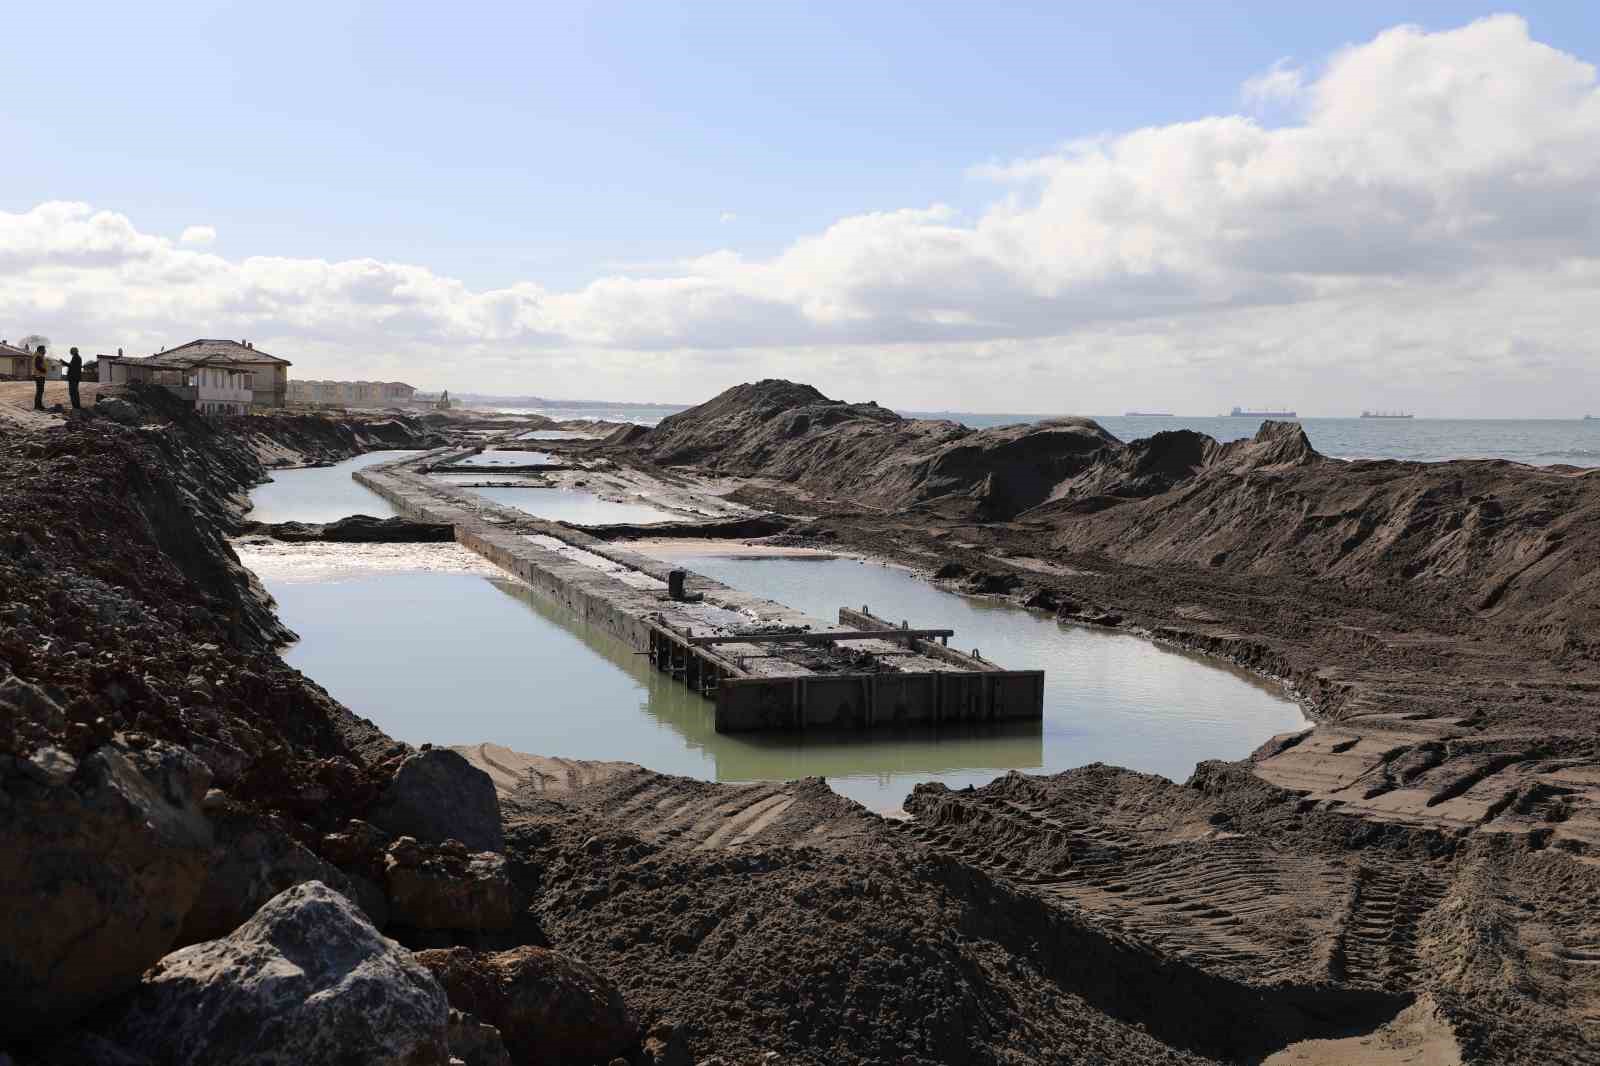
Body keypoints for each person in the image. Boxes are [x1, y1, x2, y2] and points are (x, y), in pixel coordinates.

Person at [31, 345, 47, 410]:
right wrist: (44, 370)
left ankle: (39, 405)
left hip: (39, 375)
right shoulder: (38, 356)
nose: (45, 351)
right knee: (40, 391)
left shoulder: (39, 356)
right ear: (40, 350)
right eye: (44, 349)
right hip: (39, 375)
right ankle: (37, 406)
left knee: (40, 391)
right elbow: (37, 366)